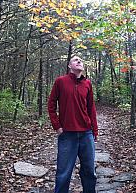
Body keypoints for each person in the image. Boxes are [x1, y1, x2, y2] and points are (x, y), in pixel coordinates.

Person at [48, 56, 98, 193]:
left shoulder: (87, 83)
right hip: (67, 134)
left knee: (89, 171)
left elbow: (91, 108)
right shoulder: (60, 82)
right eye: (76, 60)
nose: (79, 61)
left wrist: (95, 130)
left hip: (86, 134)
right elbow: (51, 104)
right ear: (69, 66)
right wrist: (57, 126)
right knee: (63, 173)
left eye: (81, 60)